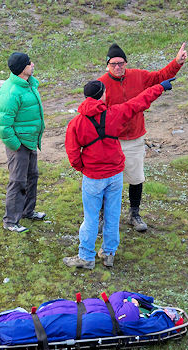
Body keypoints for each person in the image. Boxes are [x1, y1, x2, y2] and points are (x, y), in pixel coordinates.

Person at [63, 77, 175, 269]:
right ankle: (108, 254)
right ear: (102, 95)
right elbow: (138, 102)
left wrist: (83, 168)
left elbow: (72, 152)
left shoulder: (76, 123)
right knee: (112, 215)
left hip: (93, 177)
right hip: (115, 174)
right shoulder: (114, 113)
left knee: (90, 217)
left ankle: (86, 257)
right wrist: (160, 87)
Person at [98, 42, 187, 232]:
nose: (118, 67)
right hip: (111, 140)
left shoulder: (138, 76)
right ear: (107, 65)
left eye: (121, 63)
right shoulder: (101, 84)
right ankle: (102, 216)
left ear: (126, 63)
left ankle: (134, 213)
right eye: (113, 64)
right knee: (106, 180)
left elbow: (161, 77)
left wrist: (177, 62)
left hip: (135, 137)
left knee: (136, 177)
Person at [0, 52, 46, 233]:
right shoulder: (11, 92)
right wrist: (17, 146)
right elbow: (2, 126)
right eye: (29, 63)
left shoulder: (28, 84)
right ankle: (10, 221)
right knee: (17, 181)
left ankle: (27, 211)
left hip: (30, 141)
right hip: (20, 144)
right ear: (22, 68)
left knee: (32, 176)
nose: (33, 64)